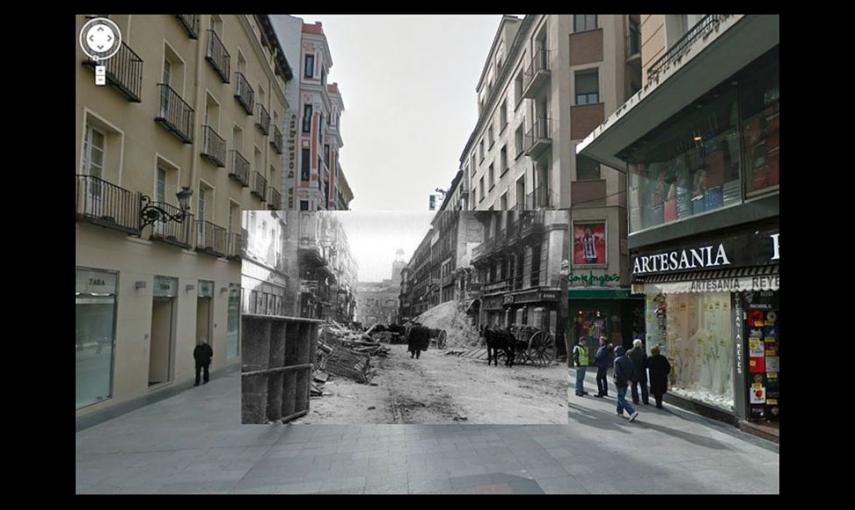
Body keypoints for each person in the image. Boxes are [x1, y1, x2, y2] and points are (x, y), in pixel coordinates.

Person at [613, 346, 639, 422]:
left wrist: (626, 380)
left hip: (620, 381)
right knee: (621, 396)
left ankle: (632, 412)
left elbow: (618, 373)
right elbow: (634, 371)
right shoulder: (629, 359)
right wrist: (630, 380)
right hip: (627, 381)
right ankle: (619, 412)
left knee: (620, 398)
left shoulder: (617, 360)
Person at [627, 338, 650, 405]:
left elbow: (627, 363)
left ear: (634, 345)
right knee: (643, 387)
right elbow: (646, 364)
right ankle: (645, 400)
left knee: (633, 387)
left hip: (633, 373)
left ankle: (635, 400)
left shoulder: (629, 352)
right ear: (640, 345)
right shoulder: (643, 353)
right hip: (642, 372)